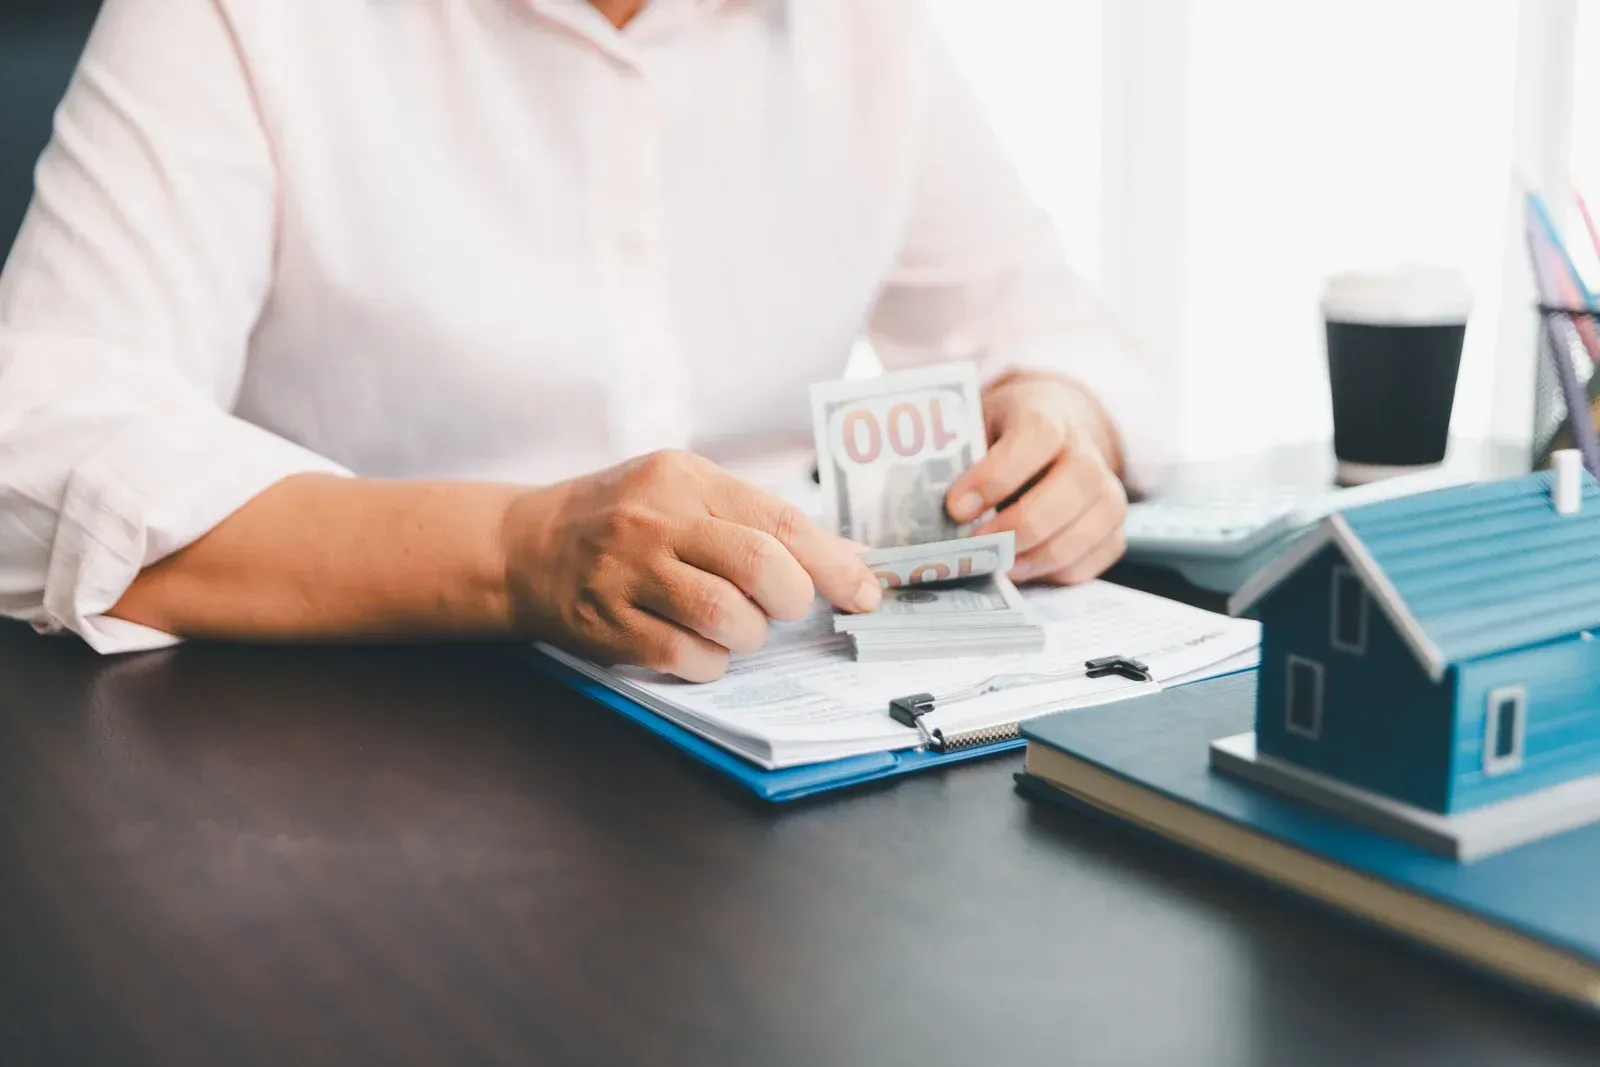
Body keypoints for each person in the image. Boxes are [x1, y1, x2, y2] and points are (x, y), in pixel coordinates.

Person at [0, 0, 1161, 683]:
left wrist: (1061, 423)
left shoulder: (863, 27)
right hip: (364, 730)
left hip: (788, 716)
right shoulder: (238, 20)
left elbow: (1050, 330)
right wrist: (517, 548)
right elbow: (38, 448)